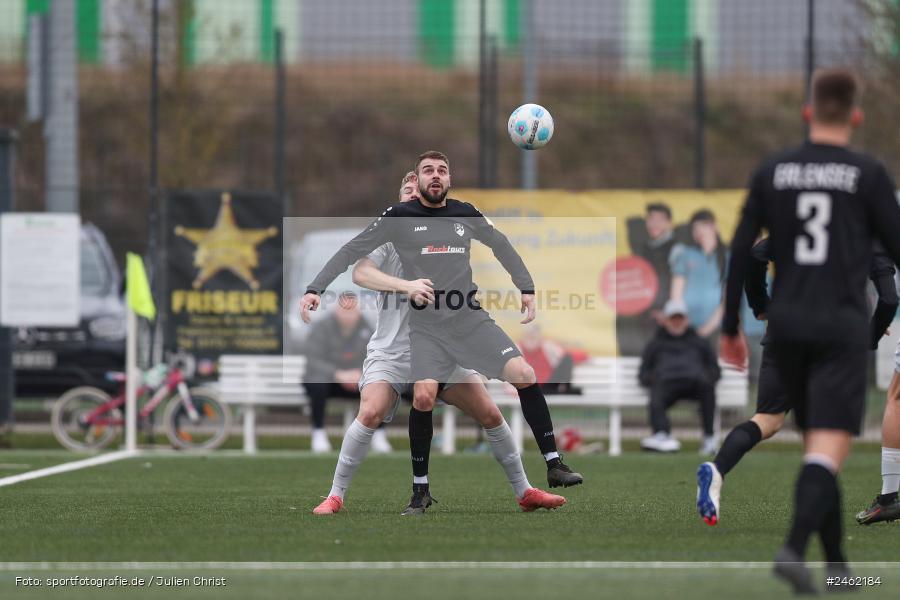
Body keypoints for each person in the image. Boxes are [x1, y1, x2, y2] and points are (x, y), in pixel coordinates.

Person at [301, 151, 583, 513]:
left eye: (432, 177)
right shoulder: (387, 239)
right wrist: (402, 286)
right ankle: (336, 495)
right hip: (393, 351)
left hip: (444, 342)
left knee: (491, 414)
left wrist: (523, 286)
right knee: (370, 413)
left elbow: (491, 245)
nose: (410, 197)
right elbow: (359, 273)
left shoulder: (447, 222)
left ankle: (526, 489)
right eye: (407, 190)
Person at [719, 67, 900, 594]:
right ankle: (794, 549)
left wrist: (733, 323)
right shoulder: (867, 174)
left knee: (814, 448)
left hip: (788, 326)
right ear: (857, 116)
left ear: (807, 113)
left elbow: (742, 250)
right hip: (840, 329)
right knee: (827, 449)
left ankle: (839, 570)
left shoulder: (773, 170)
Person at [698, 237, 897, 526]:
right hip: (834, 337)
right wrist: (870, 337)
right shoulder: (865, 227)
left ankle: (717, 469)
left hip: (786, 327)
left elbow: (755, 255)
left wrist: (761, 305)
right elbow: (889, 298)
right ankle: (821, 514)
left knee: (767, 420)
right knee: (826, 430)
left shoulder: (798, 216)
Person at [303, 292, 384, 454]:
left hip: (357, 382)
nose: (349, 315)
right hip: (329, 383)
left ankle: (379, 434)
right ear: (336, 311)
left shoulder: (368, 329)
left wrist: (361, 374)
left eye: (352, 311)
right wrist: (337, 374)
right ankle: (318, 432)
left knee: (382, 385)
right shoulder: (322, 328)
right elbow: (313, 359)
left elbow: (376, 357)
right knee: (318, 382)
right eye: (345, 310)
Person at [638, 299, 720, 454]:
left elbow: (714, 369)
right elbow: (643, 372)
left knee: (707, 387)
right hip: (666, 385)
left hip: (695, 383)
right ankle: (662, 436)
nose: (676, 322)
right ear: (666, 320)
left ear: (686, 319)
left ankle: (709, 439)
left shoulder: (699, 341)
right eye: (673, 318)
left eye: (680, 318)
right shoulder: (655, 343)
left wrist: (708, 377)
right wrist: (652, 379)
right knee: (656, 392)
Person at [670, 210, 727, 343]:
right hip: (687, 327)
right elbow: (676, 294)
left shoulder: (727, 256)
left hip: (718, 329)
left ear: (714, 227)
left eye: (702, 226)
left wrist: (707, 328)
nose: (698, 231)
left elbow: (728, 299)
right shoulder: (685, 254)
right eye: (695, 228)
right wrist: (682, 322)